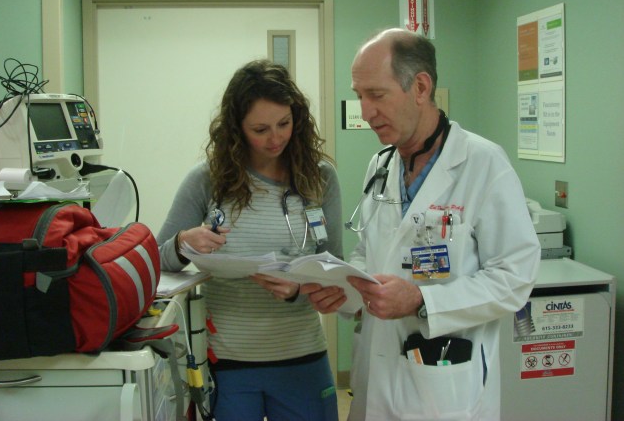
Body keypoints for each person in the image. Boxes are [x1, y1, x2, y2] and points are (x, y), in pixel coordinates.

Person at [302, 29, 540, 420]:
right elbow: (370, 253)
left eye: (376, 95)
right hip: (376, 377)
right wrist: (344, 291)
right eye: (359, 95)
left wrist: (422, 301)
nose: (365, 112)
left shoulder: (483, 164)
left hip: (444, 390)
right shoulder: (380, 165)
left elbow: (515, 278)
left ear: (421, 87)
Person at [157, 59, 343, 421]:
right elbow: (154, 261)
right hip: (228, 361)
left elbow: (333, 269)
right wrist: (182, 243)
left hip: (302, 355)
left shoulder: (319, 177)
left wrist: (298, 288)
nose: (275, 138)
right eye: (260, 129)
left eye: (284, 124)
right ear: (236, 128)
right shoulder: (208, 179)